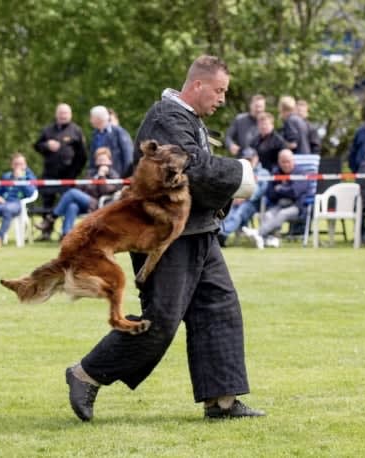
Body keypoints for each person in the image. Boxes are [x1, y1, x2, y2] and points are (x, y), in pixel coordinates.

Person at [64, 55, 263, 422]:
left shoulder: (188, 120)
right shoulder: (166, 118)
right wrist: (242, 174)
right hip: (165, 238)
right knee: (162, 321)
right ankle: (85, 374)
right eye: (218, 91)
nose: (222, 99)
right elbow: (192, 169)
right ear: (198, 85)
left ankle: (221, 401)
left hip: (198, 231)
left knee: (218, 309)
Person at [36, 147, 123, 238]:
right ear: (96, 161)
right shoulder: (91, 173)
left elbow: (107, 191)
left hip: (101, 204)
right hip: (86, 202)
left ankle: (51, 218)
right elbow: (80, 187)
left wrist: (102, 176)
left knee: (72, 192)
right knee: (72, 206)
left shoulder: (113, 175)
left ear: (110, 161)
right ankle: (66, 235)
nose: (101, 162)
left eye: (104, 159)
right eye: (99, 159)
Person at [33, 103, 87, 240]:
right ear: (56, 114)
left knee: (67, 203)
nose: (63, 116)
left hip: (68, 176)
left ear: (70, 115)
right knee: (47, 203)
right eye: (61, 113)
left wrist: (75, 172)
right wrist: (46, 145)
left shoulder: (76, 131)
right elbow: (36, 146)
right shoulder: (47, 130)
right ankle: (46, 232)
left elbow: (83, 155)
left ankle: (65, 232)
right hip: (49, 174)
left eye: (66, 113)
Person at [242, 150, 308, 249]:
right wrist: (284, 190)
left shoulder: (301, 173)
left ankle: (258, 232)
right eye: (283, 162)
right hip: (279, 205)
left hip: (297, 207)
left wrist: (280, 189)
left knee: (283, 214)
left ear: (293, 161)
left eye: (288, 161)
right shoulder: (276, 172)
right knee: (268, 215)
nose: (286, 164)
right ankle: (270, 240)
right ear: (279, 162)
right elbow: (270, 193)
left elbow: (295, 192)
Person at [218, 147, 270, 246]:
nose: (248, 162)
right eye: (246, 160)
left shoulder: (264, 173)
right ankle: (218, 234)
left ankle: (222, 235)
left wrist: (244, 197)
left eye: (250, 159)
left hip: (255, 204)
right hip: (237, 200)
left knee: (239, 213)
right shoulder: (241, 171)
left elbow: (259, 192)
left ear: (256, 158)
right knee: (226, 210)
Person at [88, 105, 133, 177]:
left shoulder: (119, 132)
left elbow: (128, 155)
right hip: (98, 177)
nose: (90, 121)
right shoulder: (95, 134)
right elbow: (92, 157)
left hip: (116, 177)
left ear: (99, 118)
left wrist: (126, 176)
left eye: (91, 117)